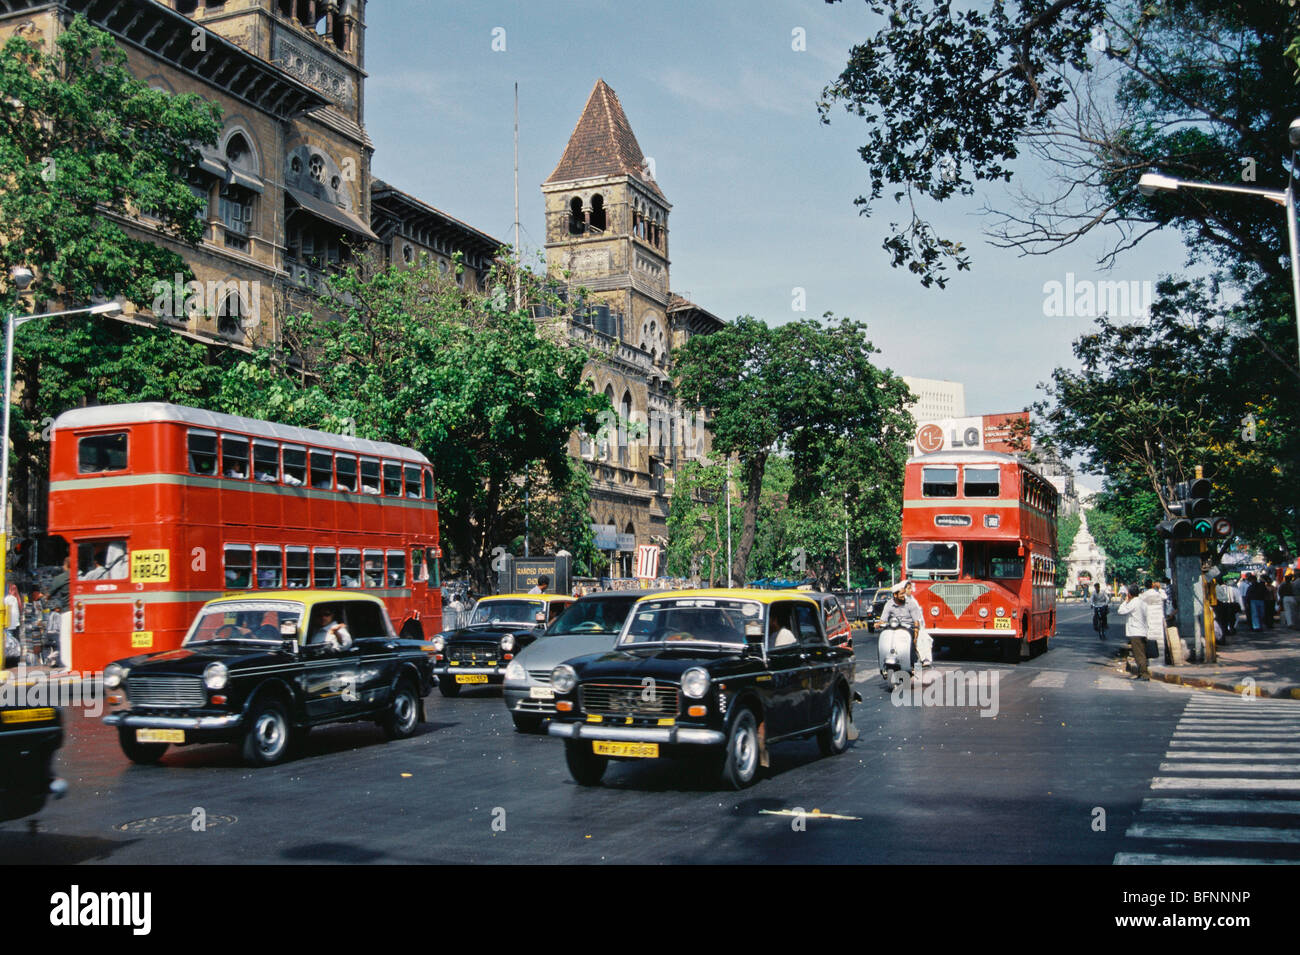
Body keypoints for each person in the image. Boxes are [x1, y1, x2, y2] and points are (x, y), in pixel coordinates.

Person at [1117, 584, 1150, 680]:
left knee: (1139, 655)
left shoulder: (1133, 602)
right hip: (1142, 630)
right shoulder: (1142, 602)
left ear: (1130, 594)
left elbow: (1121, 611)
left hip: (1136, 632)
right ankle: (1141, 673)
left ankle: (1144, 675)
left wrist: (1126, 600)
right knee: (1141, 654)